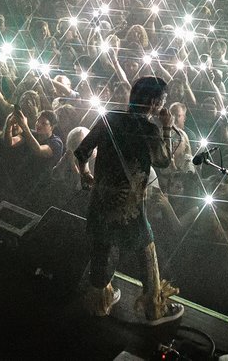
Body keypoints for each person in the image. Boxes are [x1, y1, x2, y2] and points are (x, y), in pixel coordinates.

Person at [74, 76, 184, 324]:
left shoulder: (108, 118)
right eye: (162, 101)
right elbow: (164, 161)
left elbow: (81, 151)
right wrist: (166, 127)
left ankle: (99, 304)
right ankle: (154, 309)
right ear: (155, 103)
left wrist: (85, 174)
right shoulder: (149, 130)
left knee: (102, 247)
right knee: (147, 251)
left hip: (102, 202)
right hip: (130, 210)